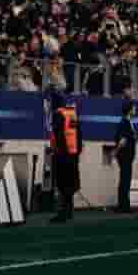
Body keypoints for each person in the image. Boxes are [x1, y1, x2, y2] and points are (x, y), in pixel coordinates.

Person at [49, 91, 82, 222]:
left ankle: (63, 213)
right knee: (71, 183)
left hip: (63, 154)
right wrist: (77, 151)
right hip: (73, 154)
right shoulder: (72, 114)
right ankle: (69, 211)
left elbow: (59, 135)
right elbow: (79, 134)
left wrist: (60, 152)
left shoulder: (57, 114)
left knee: (62, 184)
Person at [114, 99, 137, 213]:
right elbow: (122, 140)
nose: (135, 109)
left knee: (125, 179)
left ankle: (124, 204)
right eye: (133, 107)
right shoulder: (124, 123)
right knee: (125, 180)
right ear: (129, 110)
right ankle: (123, 205)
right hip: (125, 156)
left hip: (127, 156)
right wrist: (116, 151)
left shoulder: (128, 122)